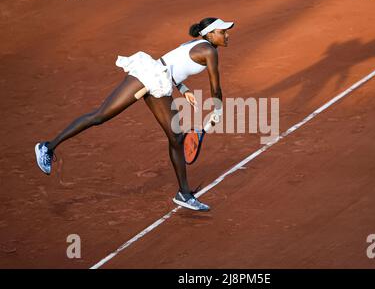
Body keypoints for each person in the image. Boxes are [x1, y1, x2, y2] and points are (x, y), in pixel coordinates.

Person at [35, 17, 234, 212]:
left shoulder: (197, 43)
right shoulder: (209, 51)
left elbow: (172, 65)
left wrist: (183, 88)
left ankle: (184, 193)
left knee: (176, 138)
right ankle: (47, 147)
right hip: (151, 77)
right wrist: (218, 110)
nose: (227, 35)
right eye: (222, 32)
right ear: (209, 34)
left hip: (159, 81)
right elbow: (215, 88)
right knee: (100, 116)